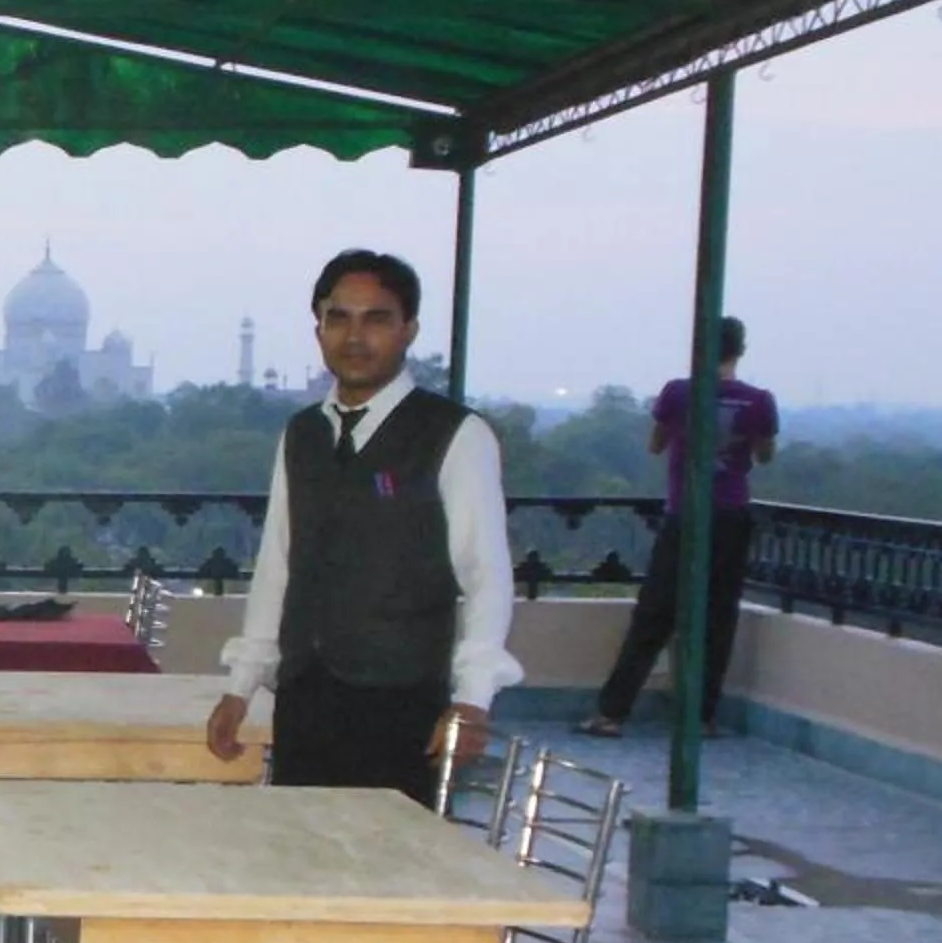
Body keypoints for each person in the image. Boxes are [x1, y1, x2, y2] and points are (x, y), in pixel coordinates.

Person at [205, 248, 519, 808]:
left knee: (391, 872)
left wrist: (472, 699)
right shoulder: (303, 434)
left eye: (376, 318)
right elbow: (279, 564)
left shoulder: (453, 434)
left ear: (407, 330)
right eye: (339, 318)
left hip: (401, 700)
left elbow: (485, 575)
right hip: (305, 694)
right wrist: (242, 684)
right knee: (301, 855)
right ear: (319, 328)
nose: (355, 336)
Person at [579, 316, 778, 736]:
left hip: (684, 513)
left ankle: (612, 712)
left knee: (654, 614)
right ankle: (700, 716)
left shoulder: (679, 393)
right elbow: (765, 456)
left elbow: (656, 444)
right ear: (739, 351)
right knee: (718, 617)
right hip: (731, 513)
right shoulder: (758, 401)